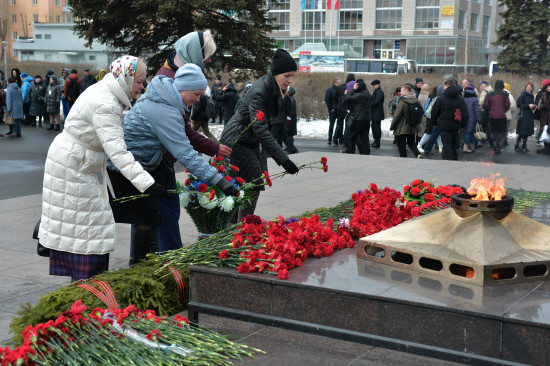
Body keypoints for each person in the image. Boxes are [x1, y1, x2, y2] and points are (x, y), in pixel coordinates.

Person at [39, 56, 166, 282]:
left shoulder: (106, 92)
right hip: (74, 164)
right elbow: (118, 153)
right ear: (125, 78)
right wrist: (148, 184)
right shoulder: (106, 103)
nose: (142, 86)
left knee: (83, 223)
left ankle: (84, 284)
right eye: (139, 81)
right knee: (88, 224)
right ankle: (87, 285)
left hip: (75, 160)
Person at [108, 64, 239, 265]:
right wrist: (219, 181)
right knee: (148, 216)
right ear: (182, 89)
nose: (197, 99)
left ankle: (144, 264)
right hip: (128, 168)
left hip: (143, 165)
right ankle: (140, 264)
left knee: (149, 217)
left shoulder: (164, 97)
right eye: (195, 94)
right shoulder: (164, 110)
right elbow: (185, 153)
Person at [154, 29, 233, 253]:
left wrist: (213, 147)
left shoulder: (172, 72)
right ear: (193, 53)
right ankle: (170, 267)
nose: (208, 61)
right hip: (157, 162)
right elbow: (182, 140)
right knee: (164, 215)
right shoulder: (173, 81)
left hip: (158, 160)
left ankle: (152, 262)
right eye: (206, 55)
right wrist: (217, 176)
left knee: (154, 218)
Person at [220, 49, 300, 223]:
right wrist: (284, 160)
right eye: (287, 75)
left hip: (247, 140)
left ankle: (233, 227)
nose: (290, 80)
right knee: (252, 184)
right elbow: (261, 129)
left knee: (244, 185)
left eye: (292, 76)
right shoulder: (261, 91)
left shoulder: (271, 86)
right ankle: (243, 229)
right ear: (277, 73)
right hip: (237, 141)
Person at [431, 79, 469, 160]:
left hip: (444, 126)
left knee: (446, 146)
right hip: (456, 126)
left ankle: (447, 163)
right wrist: (462, 125)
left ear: (447, 87)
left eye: (444, 86)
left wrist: (434, 123)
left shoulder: (441, 99)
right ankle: (454, 162)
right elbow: (466, 114)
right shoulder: (460, 98)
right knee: (454, 146)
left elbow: (434, 112)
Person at [389, 83, 423, 159]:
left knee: (402, 144)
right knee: (412, 143)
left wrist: (392, 126)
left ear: (407, 91)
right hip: (413, 125)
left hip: (402, 126)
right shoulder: (416, 100)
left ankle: (403, 159)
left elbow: (397, 115)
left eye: (402, 91)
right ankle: (418, 154)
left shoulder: (403, 102)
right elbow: (422, 111)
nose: (401, 92)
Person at [343, 80, 371, 154]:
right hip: (366, 119)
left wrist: (353, 90)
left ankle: (350, 151)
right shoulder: (367, 94)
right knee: (364, 138)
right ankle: (365, 153)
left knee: (350, 136)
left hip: (358, 119)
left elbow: (347, 98)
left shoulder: (360, 95)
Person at [483, 80, 510, 154]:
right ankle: (499, 145)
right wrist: (503, 110)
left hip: (492, 116)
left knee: (494, 131)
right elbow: (507, 105)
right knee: (502, 131)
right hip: (501, 116)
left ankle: (494, 144)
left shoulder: (490, 94)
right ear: (502, 86)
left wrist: (490, 110)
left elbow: (485, 105)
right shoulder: (505, 94)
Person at [334, 74, 355, 146]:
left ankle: (335, 140)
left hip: (340, 109)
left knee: (339, 125)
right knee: (347, 126)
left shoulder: (340, 87)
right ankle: (345, 141)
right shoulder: (353, 88)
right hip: (348, 110)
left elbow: (335, 97)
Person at [515, 82, 536, 153]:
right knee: (522, 131)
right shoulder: (523, 95)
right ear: (525, 87)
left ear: (532, 88)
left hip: (529, 115)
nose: (529, 88)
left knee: (527, 132)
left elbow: (530, 105)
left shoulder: (531, 96)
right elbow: (519, 104)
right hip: (523, 115)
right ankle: (517, 145)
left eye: (530, 87)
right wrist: (528, 105)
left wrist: (533, 107)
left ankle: (524, 145)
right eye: (528, 86)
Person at [462, 86, 481, 153]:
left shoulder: (463, 98)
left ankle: (472, 147)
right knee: (469, 132)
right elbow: (477, 110)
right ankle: (465, 148)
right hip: (472, 118)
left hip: (464, 118)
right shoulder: (475, 99)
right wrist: (479, 119)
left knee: (470, 132)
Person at [325, 78, 340, 145]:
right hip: (333, 110)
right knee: (331, 125)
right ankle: (330, 138)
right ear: (335, 83)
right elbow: (327, 100)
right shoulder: (329, 90)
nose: (340, 84)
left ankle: (338, 138)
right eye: (339, 83)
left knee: (339, 125)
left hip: (339, 110)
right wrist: (331, 108)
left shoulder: (340, 90)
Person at [369, 79, 384, 148]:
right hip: (375, 113)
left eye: (374, 85)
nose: (373, 87)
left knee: (376, 128)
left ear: (377, 85)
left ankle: (377, 142)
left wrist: (369, 104)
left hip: (377, 113)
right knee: (374, 127)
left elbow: (376, 102)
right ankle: (376, 141)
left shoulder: (379, 92)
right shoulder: (377, 91)